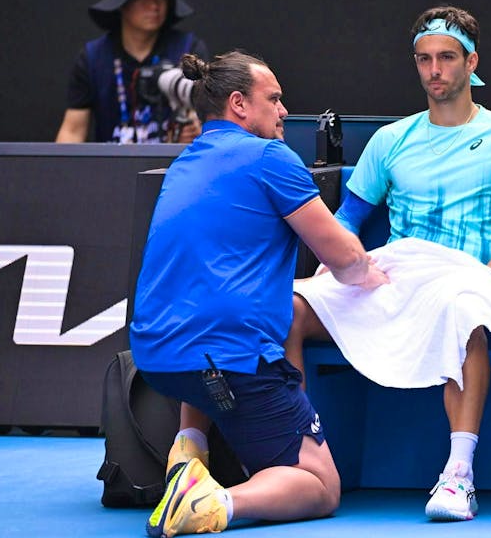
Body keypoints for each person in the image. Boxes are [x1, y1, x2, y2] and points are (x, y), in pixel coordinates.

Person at [286, 5, 491, 522]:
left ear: (471, 62)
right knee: (286, 308)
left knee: (463, 312)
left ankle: (459, 477)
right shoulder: (390, 141)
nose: (434, 70)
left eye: (447, 58)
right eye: (424, 59)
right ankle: (299, 455)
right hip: (394, 273)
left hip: (464, 276)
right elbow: (348, 216)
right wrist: (335, 257)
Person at [129, 50, 388, 537]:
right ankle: (212, 503)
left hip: (158, 360)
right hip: (227, 365)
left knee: (209, 333)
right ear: (239, 104)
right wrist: (375, 275)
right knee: (319, 483)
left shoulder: (188, 159)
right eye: (274, 99)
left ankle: (188, 450)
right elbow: (346, 262)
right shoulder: (271, 157)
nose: (285, 110)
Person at [56, 0, 209, 143]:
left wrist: (196, 131)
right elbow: (73, 131)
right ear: (123, 4)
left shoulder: (187, 50)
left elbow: (211, 120)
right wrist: (57, 168)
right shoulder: (93, 57)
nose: (154, 6)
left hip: (175, 165)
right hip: (111, 165)